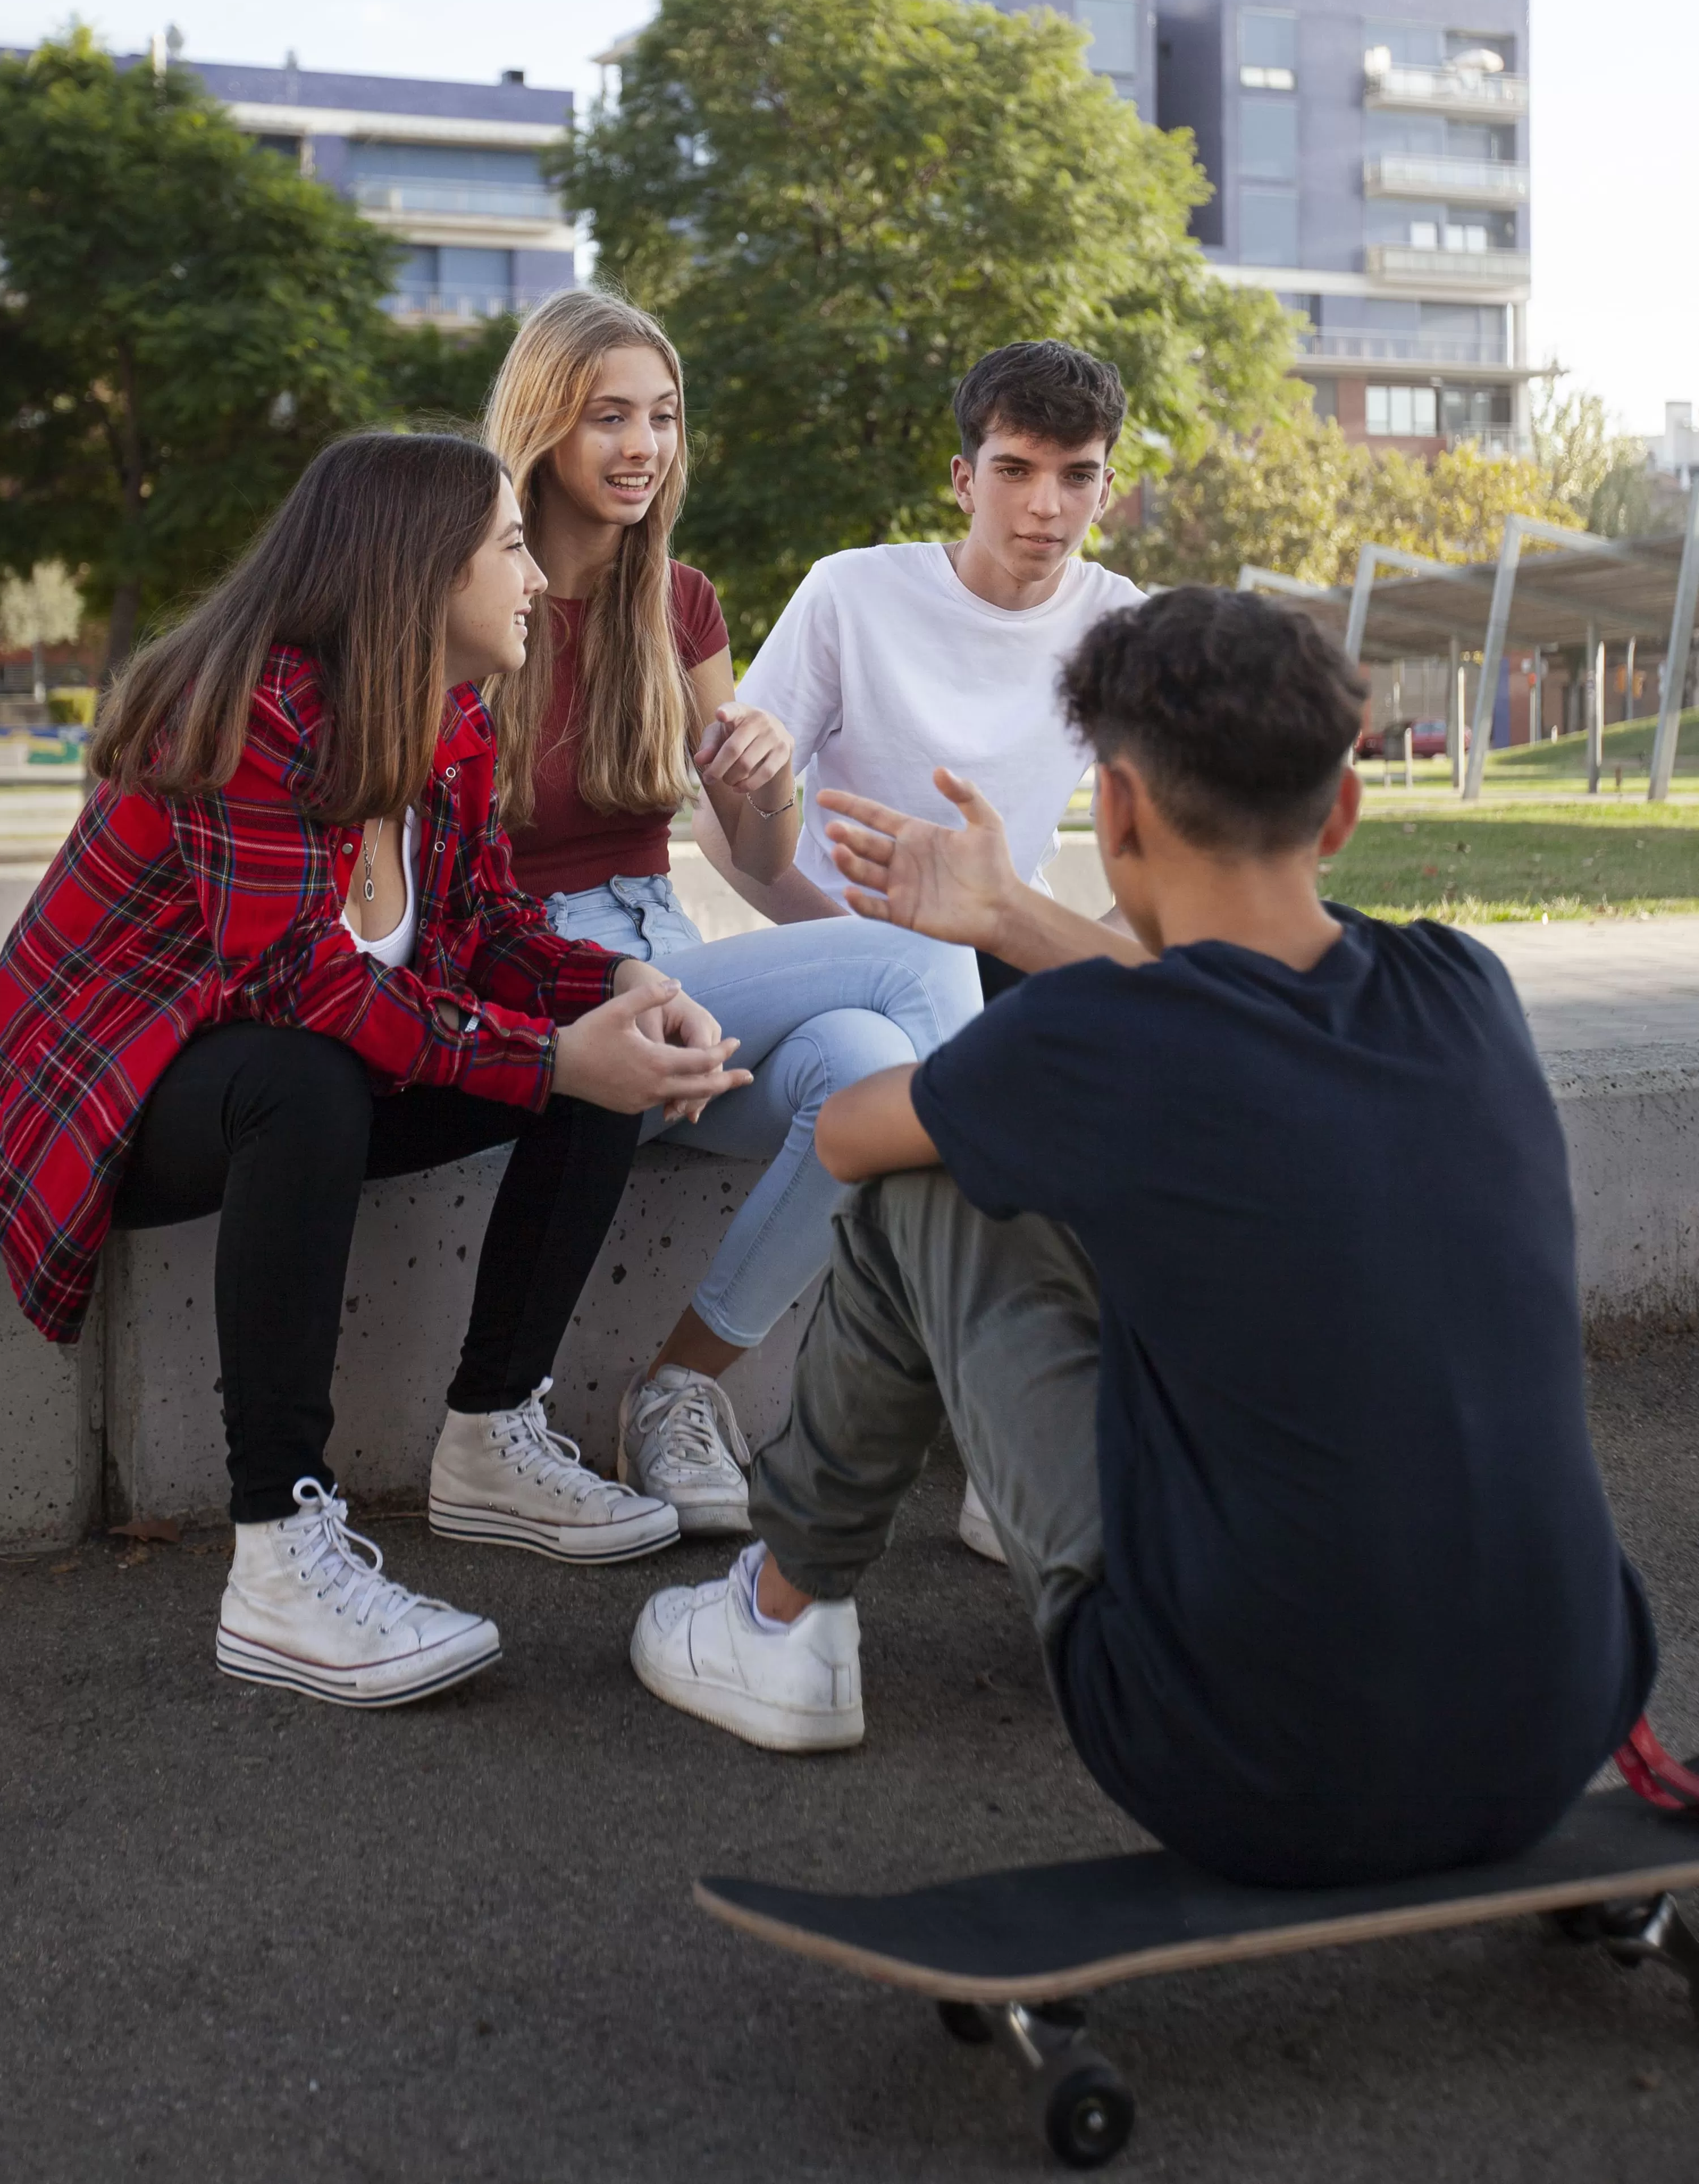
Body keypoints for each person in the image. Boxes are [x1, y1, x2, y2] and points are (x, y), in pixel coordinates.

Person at [628, 587, 1656, 1890]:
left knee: (921, 1184)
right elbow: (1229, 1027)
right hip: (1564, 1714)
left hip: (1241, 1763)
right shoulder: (1462, 990)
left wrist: (990, 955)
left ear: (1109, 815)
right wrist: (1008, 923)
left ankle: (780, 1620)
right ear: (1338, 813)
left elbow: (847, 1135)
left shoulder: (1089, 1051)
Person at [0, 430, 748, 1712]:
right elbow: (299, 983)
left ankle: (493, 1437)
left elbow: (492, 934)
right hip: (105, 1093)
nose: (535, 581)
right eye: (506, 549)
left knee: (594, 1064)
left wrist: (614, 991)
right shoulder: (238, 714)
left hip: (280, 1067)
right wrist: (546, 1052)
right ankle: (276, 1560)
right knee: (316, 1073)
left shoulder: (442, 720)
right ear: (415, 573)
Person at [481, 287, 981, 1534]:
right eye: (607, 416)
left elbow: (749, 844)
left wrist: (765, 788)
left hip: (669, 951)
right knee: (925, 964)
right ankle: (1002, 1371)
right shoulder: (470, 588)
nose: (641, 444)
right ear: (541, 422)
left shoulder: (681, 601)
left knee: (867, 1058)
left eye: (660, 415)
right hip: (549, 993)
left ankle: (679, 1387)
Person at [718, 334, 1143, 1561]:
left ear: (1105, 485)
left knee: (1125, 1082)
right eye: (1015, 469)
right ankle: (1008, 1453)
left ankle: (1019, 1457)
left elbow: (1170, 871)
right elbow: (740, 838)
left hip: (1011, 944)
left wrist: (1079, 956)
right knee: (959, 1101)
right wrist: (860, 941)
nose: (1045, 505)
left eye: (1076, 475)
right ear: (961, 478)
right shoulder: (851, 591)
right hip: (853, 942)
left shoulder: (1126, 624)